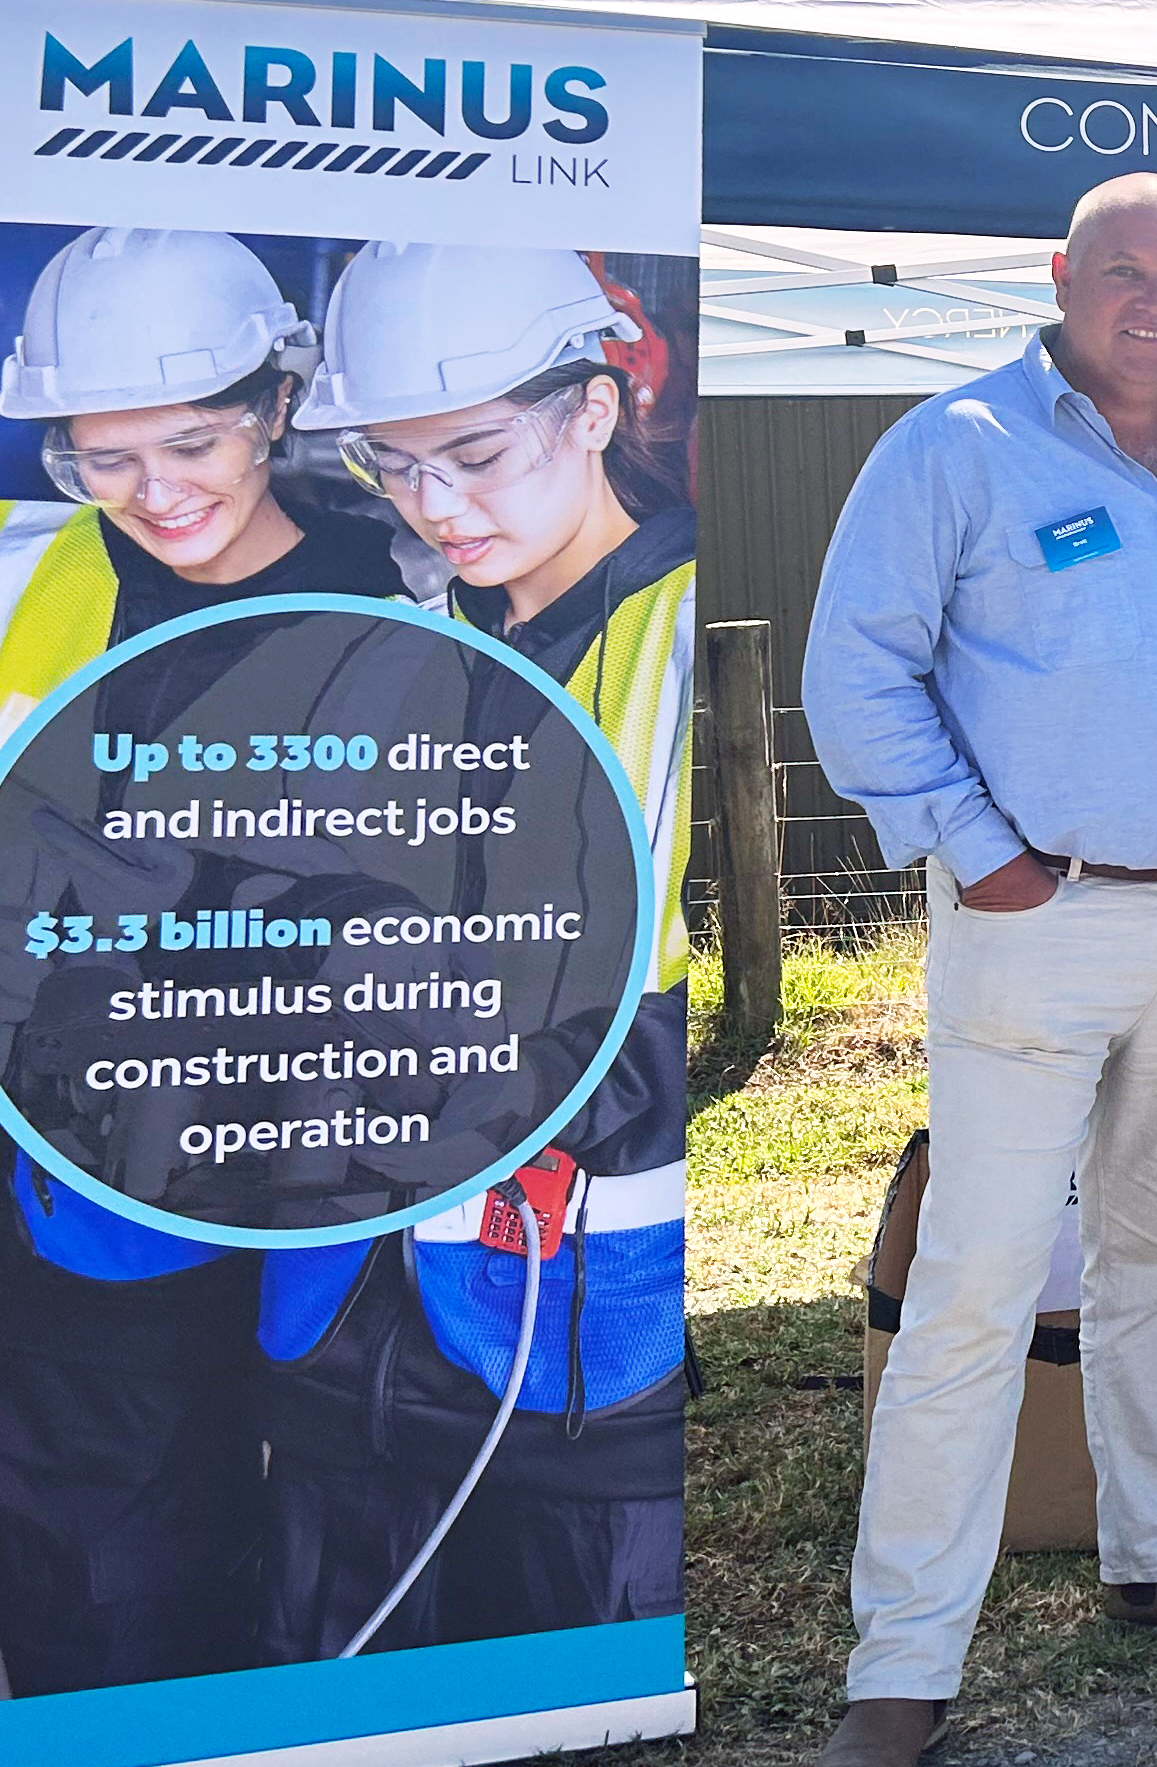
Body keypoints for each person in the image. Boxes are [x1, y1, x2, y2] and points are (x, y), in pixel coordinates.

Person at [802, 173, 1157, 1767]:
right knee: (976, 1287)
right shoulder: (957, 446)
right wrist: (974, 848)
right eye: (1126, 272)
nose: (1154, 301)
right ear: (1064, 277)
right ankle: (906, 1664)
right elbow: (855, 668)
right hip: (1040, 917)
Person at [251, 241, 695, 1658]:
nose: (437, 507)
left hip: (567, 1320)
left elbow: (647, 1007)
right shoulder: (393, 645)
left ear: (594, 409)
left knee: (574, 1669)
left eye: (477, 455)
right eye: (394, 465)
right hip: (355, 1305)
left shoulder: (669, 631)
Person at [0, 225, 401, 1695]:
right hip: (91, 1158)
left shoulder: (418, 585)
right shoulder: (40, 582)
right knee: (106, 1535)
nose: (154, 495)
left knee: (332, 1503)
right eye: (104, 458)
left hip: (337, 1151)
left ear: (277, 407)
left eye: (191, 441)